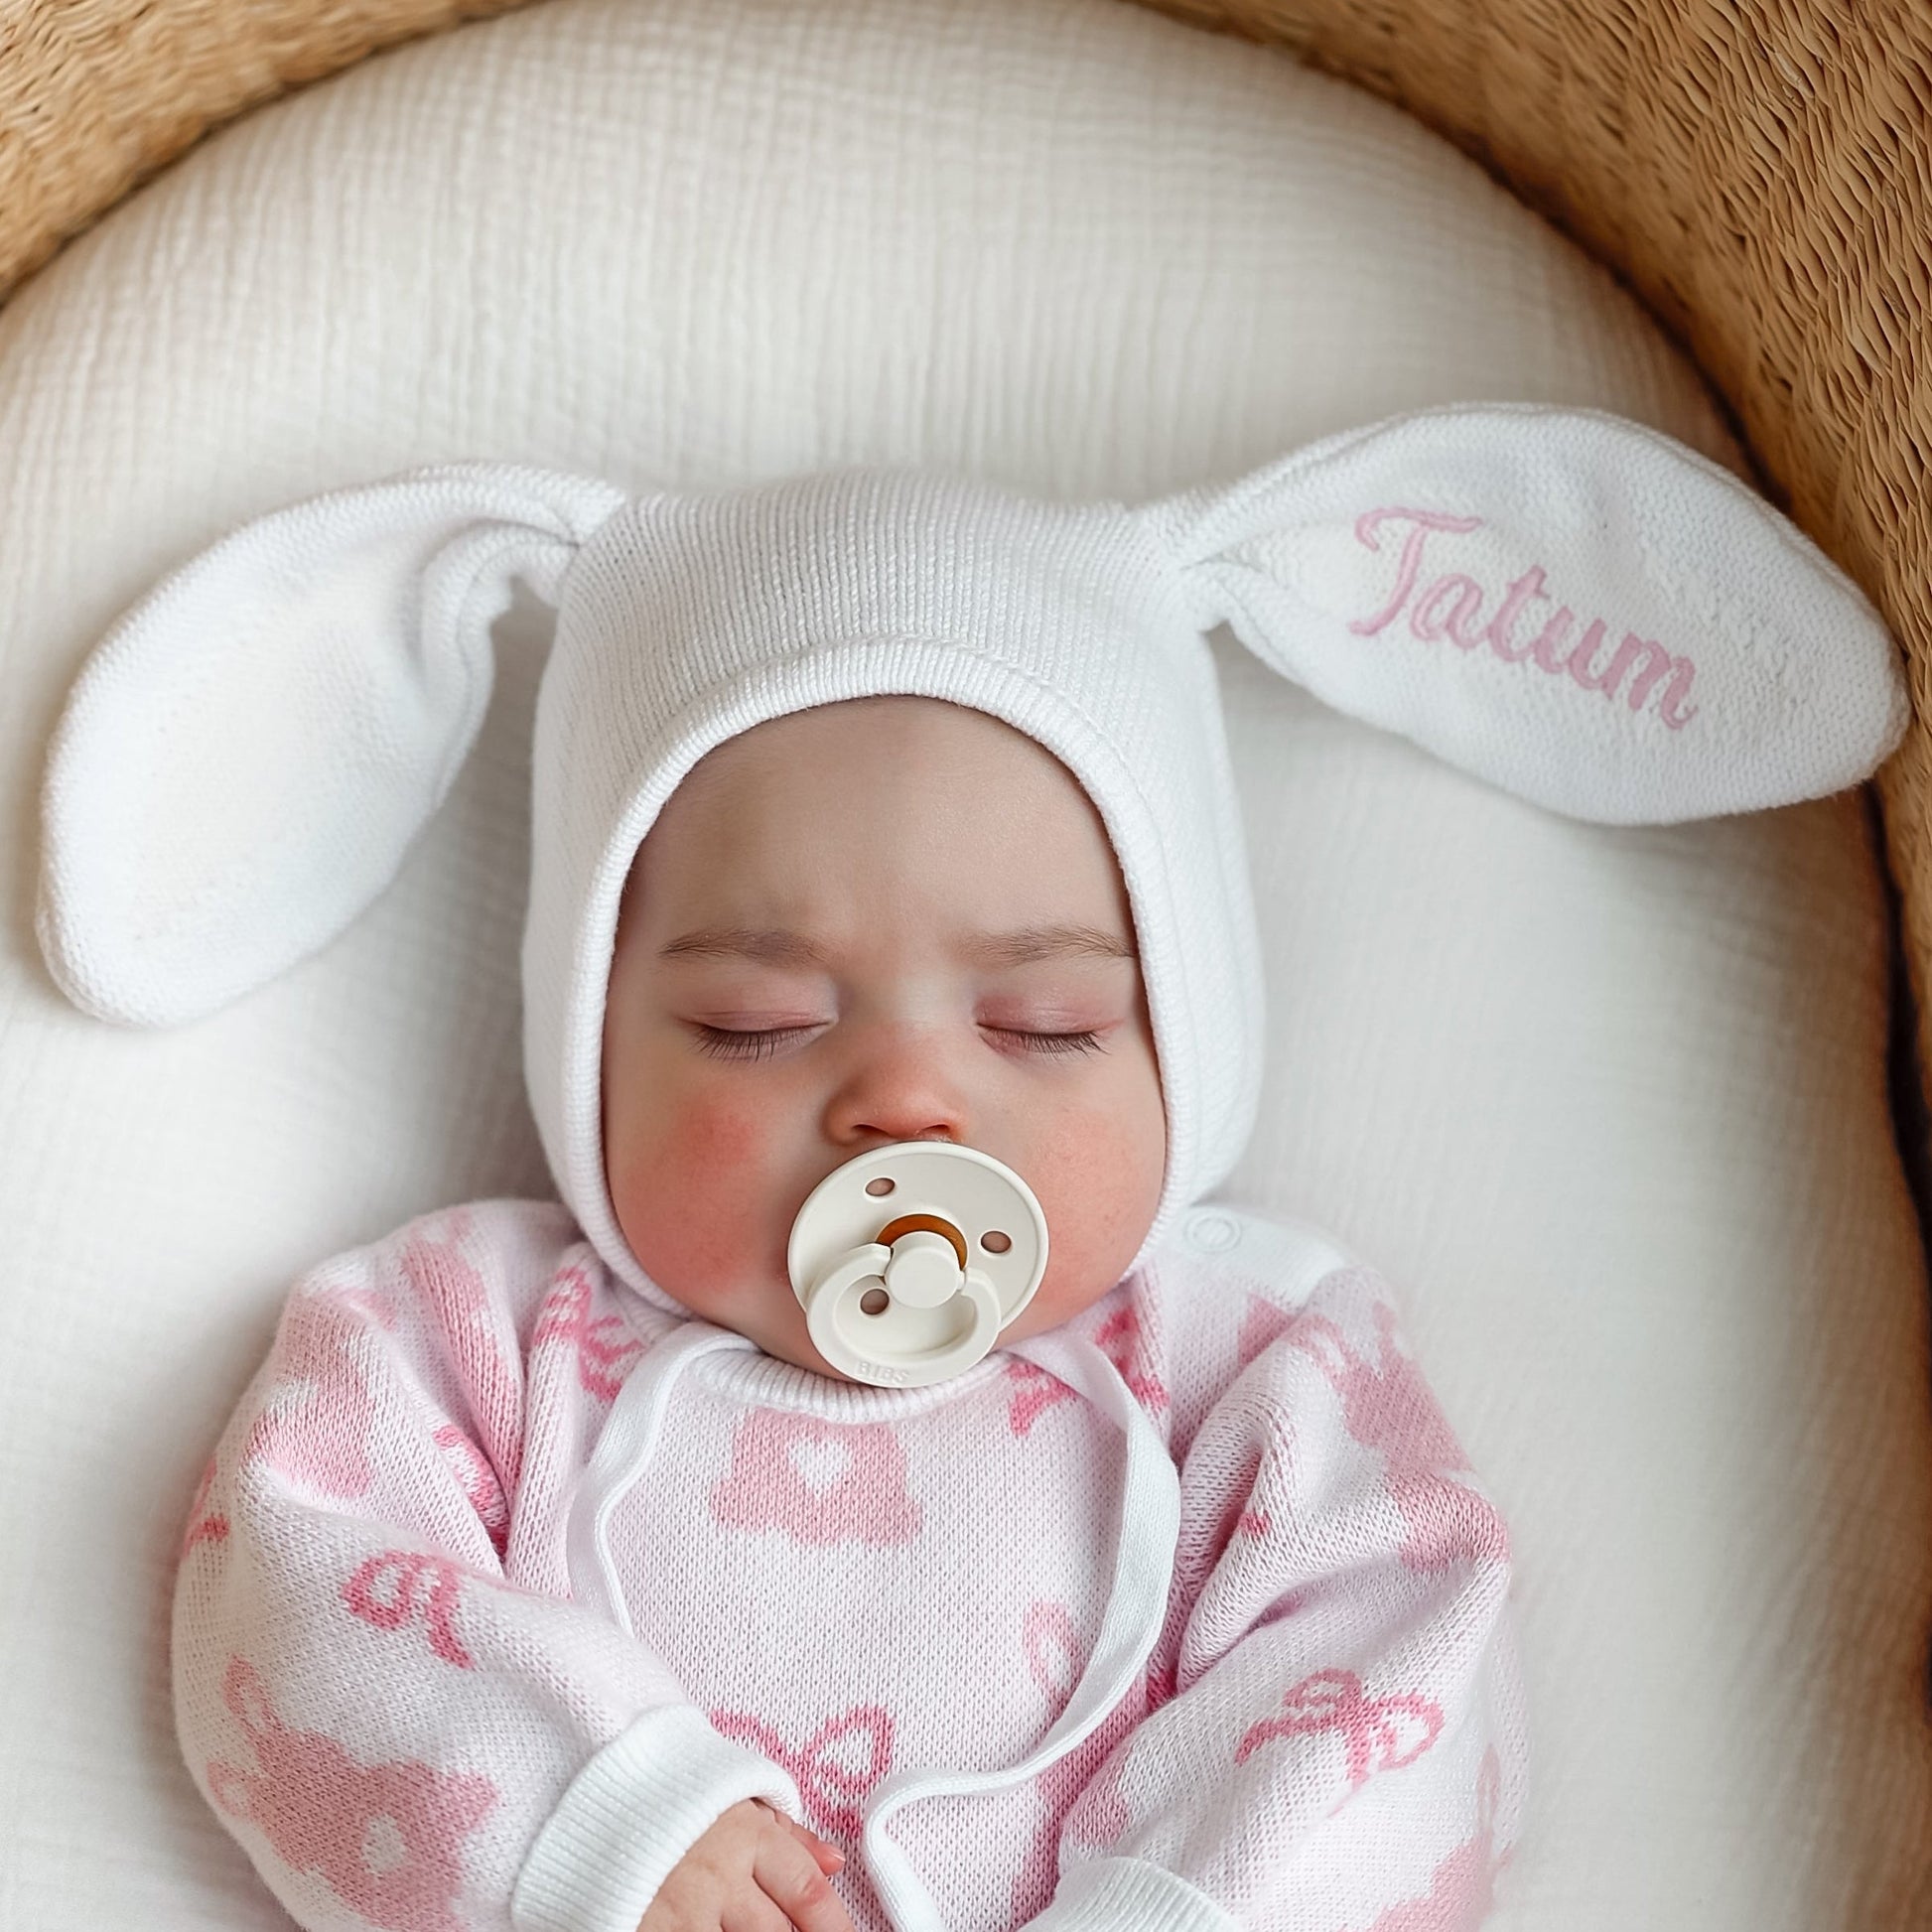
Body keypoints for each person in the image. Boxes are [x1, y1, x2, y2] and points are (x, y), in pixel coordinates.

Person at [37, 407, 1905, 1931]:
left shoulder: (1247, 1355)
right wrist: (592, 1831)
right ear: (583, 1032)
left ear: (1188, 1033)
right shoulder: (464, 1337)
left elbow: (1403, 1655)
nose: (904, 1105)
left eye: (1040, 1026)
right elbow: (292, 1592)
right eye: (761, 1022)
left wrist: (1185, 1903)